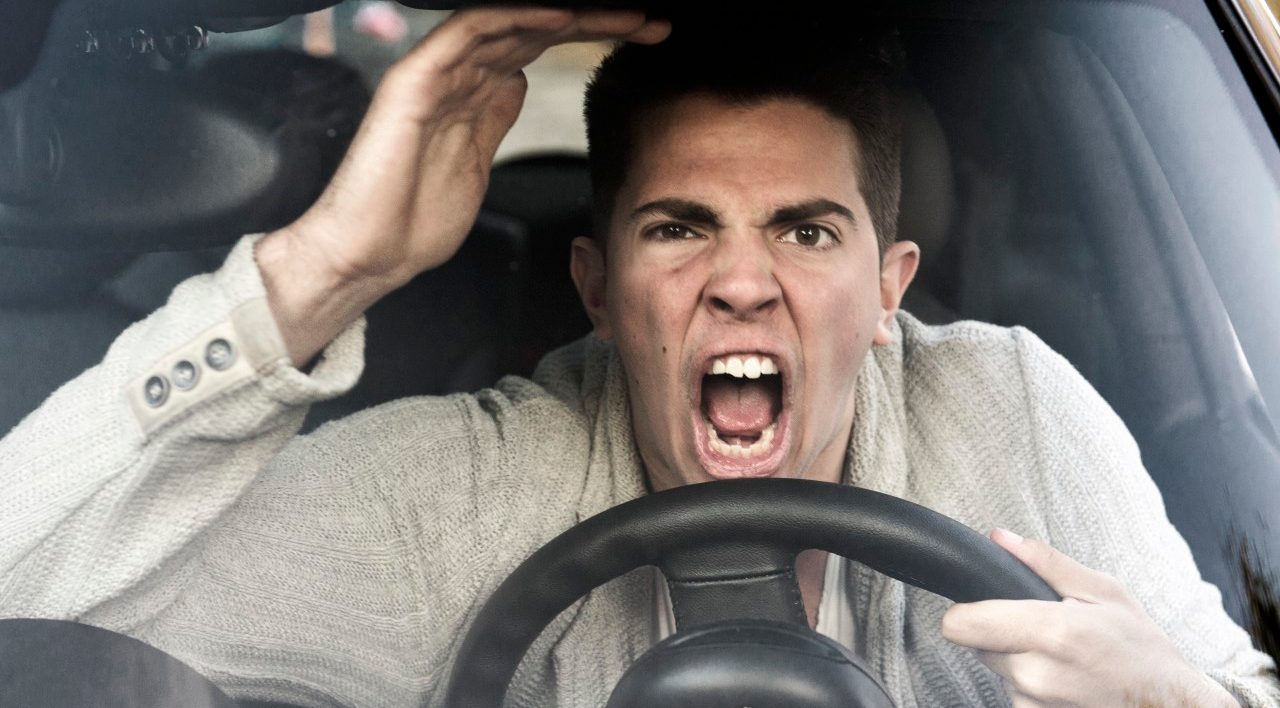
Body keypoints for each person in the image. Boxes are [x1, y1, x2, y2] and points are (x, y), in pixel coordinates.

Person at [0, 7, 1276, 707]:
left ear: (888, 291)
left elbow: (1234, 687)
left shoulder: (1014, 410)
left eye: (803, 229)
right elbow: (30, 594)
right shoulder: (462, 495)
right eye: (679, 228)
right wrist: (325, 267)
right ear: (596, 293)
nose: (738, 280)